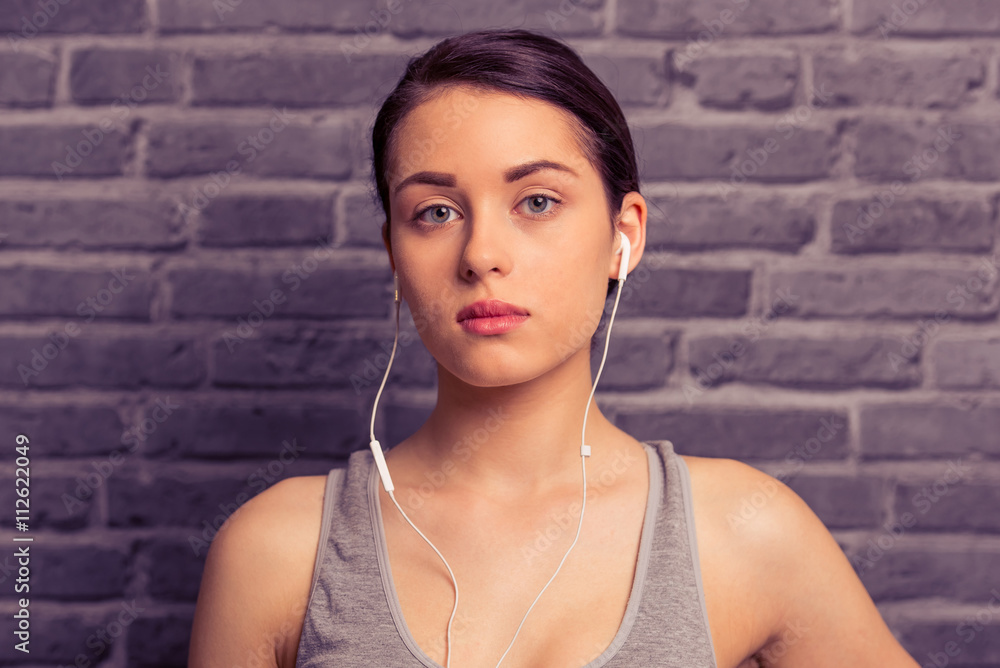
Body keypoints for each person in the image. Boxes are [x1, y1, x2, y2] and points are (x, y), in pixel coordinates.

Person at [188, 28, 920, 668]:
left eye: (537, 202)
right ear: (393, 255)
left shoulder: (743, 532)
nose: (482, 254)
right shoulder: (278, 551)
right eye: (435, 212)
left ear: (624, 235)